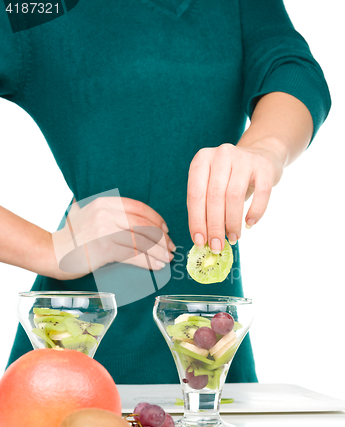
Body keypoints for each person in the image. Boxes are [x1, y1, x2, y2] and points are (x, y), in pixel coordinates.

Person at [0, 0, 331, 383]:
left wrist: (264, 148)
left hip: (212, 344)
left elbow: (289, 68)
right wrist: (49, 249)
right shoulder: (41, 8)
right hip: (77, 353)